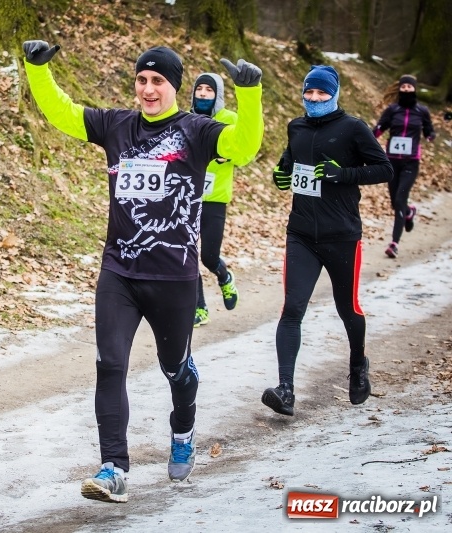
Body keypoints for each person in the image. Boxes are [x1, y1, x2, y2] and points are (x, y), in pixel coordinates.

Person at [22, 40, 263, 502]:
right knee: (109, 364)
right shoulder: (117, 126)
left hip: (174, 276)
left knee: (175, 370)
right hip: (120, 271)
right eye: (142, 80)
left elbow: (245, 148)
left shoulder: (198, 131)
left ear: (174, 85)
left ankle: (183, 431)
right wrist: (37, 70)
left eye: (158, 81)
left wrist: (249, 96)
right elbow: (65, 113)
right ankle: (114, 466)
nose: (148, 89)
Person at [262, 65, 393, 417]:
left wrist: (342, 174)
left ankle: (357, 366)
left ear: (334, 94)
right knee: (292, 310)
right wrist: (281, 173)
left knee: (347, 308)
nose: (314, 98)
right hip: (301, 234)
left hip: (342, 236)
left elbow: (384, 169)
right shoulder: (296, 126)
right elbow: (289, 161)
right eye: (309, 92)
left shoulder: (352, 128)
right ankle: (286, 389)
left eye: (321, 93)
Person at [189, 72, 256, 327]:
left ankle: (224, 276)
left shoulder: (230, 120)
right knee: (187, 254)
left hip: (215, 200)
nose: (203, 93)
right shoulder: (186, 119)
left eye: (209, 89)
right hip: (187, 197)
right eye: (199, 89)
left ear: (218, 95)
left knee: (208, 257)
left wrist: (227, 156)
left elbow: (245, 154)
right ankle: (200, 308)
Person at [372, 75, 436, 258]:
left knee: (400, 198)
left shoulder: (422, 111)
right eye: (404, 86)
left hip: (411, 161)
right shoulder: (392, 110)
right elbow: (380, 128)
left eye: (410, 86)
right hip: (392, 161)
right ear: (400, 89)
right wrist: (367, 138)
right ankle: (408, 212)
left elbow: (429, 129)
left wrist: (431, 136)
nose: (406, 89)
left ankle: (394, 243)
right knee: (395, 202)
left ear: (414, 89)